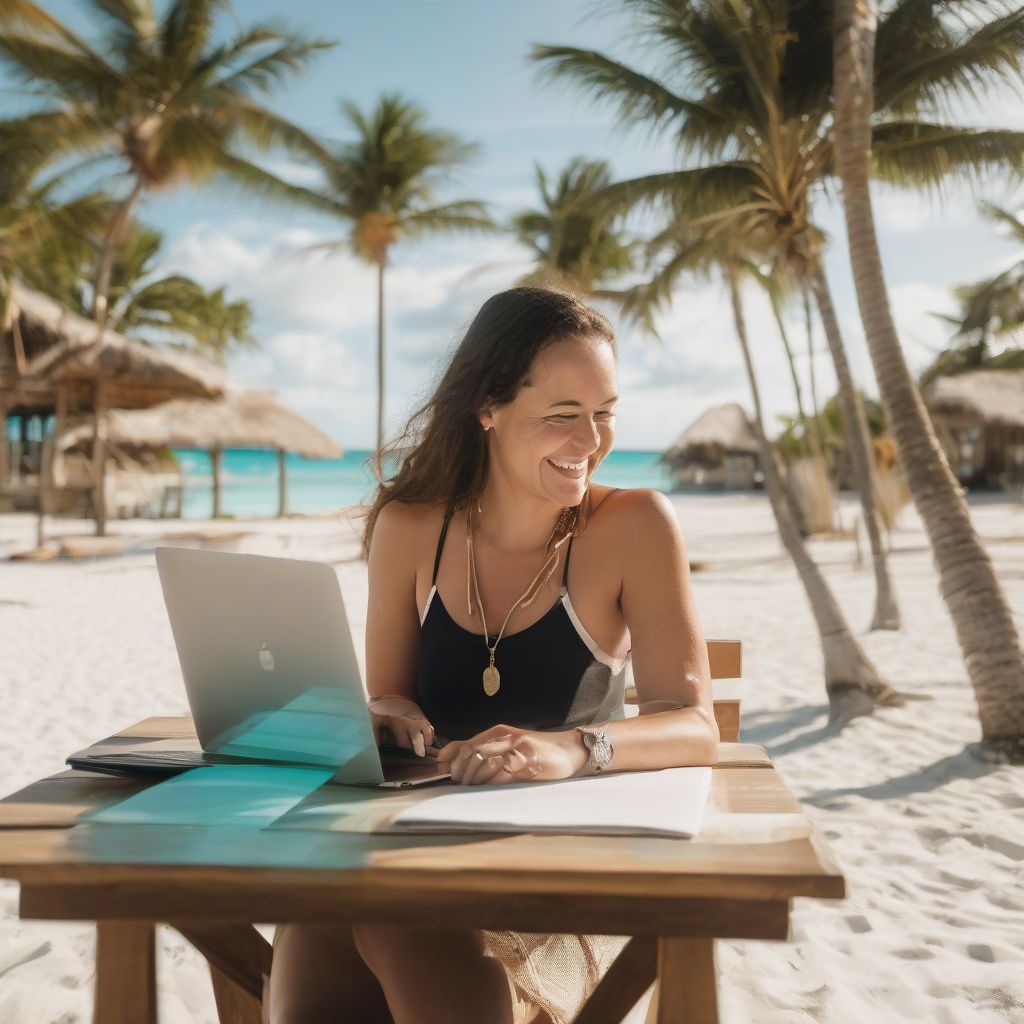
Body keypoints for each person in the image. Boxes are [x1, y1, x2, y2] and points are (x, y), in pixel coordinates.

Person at [266, 286, 719, 1024]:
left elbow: (695, 725)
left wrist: (570, 750)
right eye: (562, 416)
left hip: (567, 870)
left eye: (604, 413)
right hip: (421, 850)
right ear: (487, 407)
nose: (590, 441)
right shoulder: (410, 526)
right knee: (324, 914)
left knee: (380, 917)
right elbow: (389, 694)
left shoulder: (633, 525)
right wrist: (385, 715)